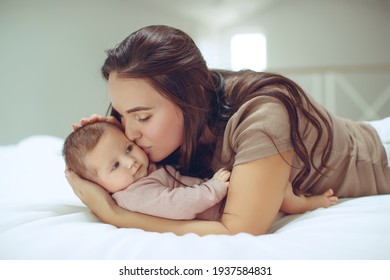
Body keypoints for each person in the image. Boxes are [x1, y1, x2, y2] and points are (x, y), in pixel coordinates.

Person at [66, 25, 390, 236]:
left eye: (142, 116)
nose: (130, 133)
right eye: (123, 116)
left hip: (378, 158)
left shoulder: (261, 118)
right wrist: (107, 141)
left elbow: (239, 228)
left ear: (188, 97)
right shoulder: (175, 130)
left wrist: (112, 212)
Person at [63, 121, 338, 221]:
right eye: (115, 166)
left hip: (217, 198)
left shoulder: (140, 177)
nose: (130, 162)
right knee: (280, 194)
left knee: (274, 184)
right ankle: (308, 204)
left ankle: (300, 199)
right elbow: (178, 206)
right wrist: (213, 188)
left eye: (127, 149)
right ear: (98, 184)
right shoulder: (134, 196)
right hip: (217, 206)